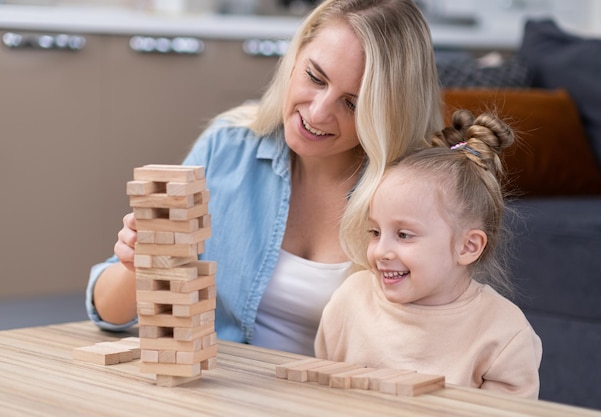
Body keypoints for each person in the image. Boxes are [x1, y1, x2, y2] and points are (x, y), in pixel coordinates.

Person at [86, 0, 443, 356]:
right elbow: (107, 313)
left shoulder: (416, 192)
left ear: (388, 113)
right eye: (315, 78)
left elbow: (437, 340)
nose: (317, 113)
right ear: (294, 58)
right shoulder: (226, 148)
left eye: (352, 103)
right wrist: (139, 265)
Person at [315, 109, 543, 398]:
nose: (381, 250)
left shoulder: (504, 332)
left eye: (404, 235)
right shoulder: (350, 300)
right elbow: (322, 395)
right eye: (375, 232)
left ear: (467, 247)